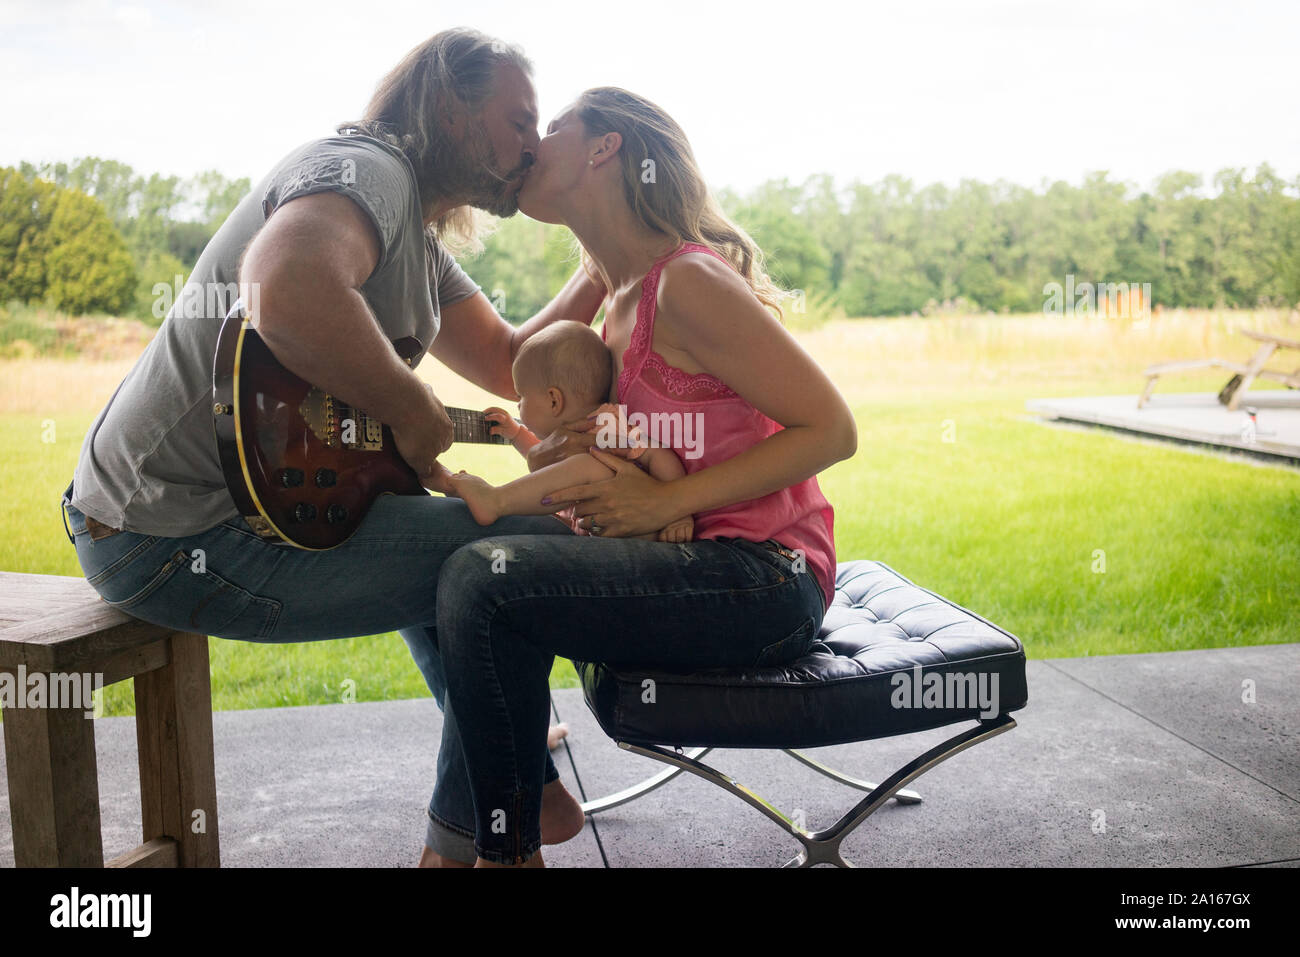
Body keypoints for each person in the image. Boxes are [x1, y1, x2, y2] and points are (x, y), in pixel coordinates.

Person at [59, 28, 598, 867]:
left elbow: (507, 359)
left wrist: (606, 243)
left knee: (451, 532)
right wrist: (405, 400)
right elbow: (283, 284)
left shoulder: (412, 233)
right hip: (171, 534)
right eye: (518, 119)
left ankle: (522, 789)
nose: (531, 144)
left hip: (185, 518)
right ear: (450, 107)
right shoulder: (367, 174)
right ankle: (476, 843)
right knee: (516, 554)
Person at [429, 86, 857, 866]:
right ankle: (519, 824)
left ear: (604, 147)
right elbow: (607, 430)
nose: (531, 142)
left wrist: (665, 497)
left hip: (766, 580)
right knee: (482, 550)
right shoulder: (615, 305)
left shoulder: (688, 283)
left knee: (480, 582)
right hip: (694, 561)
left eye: (550, 126)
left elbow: (832, 428)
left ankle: (498, 853)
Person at [444, 320, 694, 542]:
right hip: (595, 534)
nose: (518, 405)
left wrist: (677, 514)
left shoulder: (605, 424)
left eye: (521, 396)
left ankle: (495, 501)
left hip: (636, 527)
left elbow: (659, 455)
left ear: (554, 400)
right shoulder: (572, 442)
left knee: (588, 466)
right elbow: (553, 474)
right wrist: (517, 435)